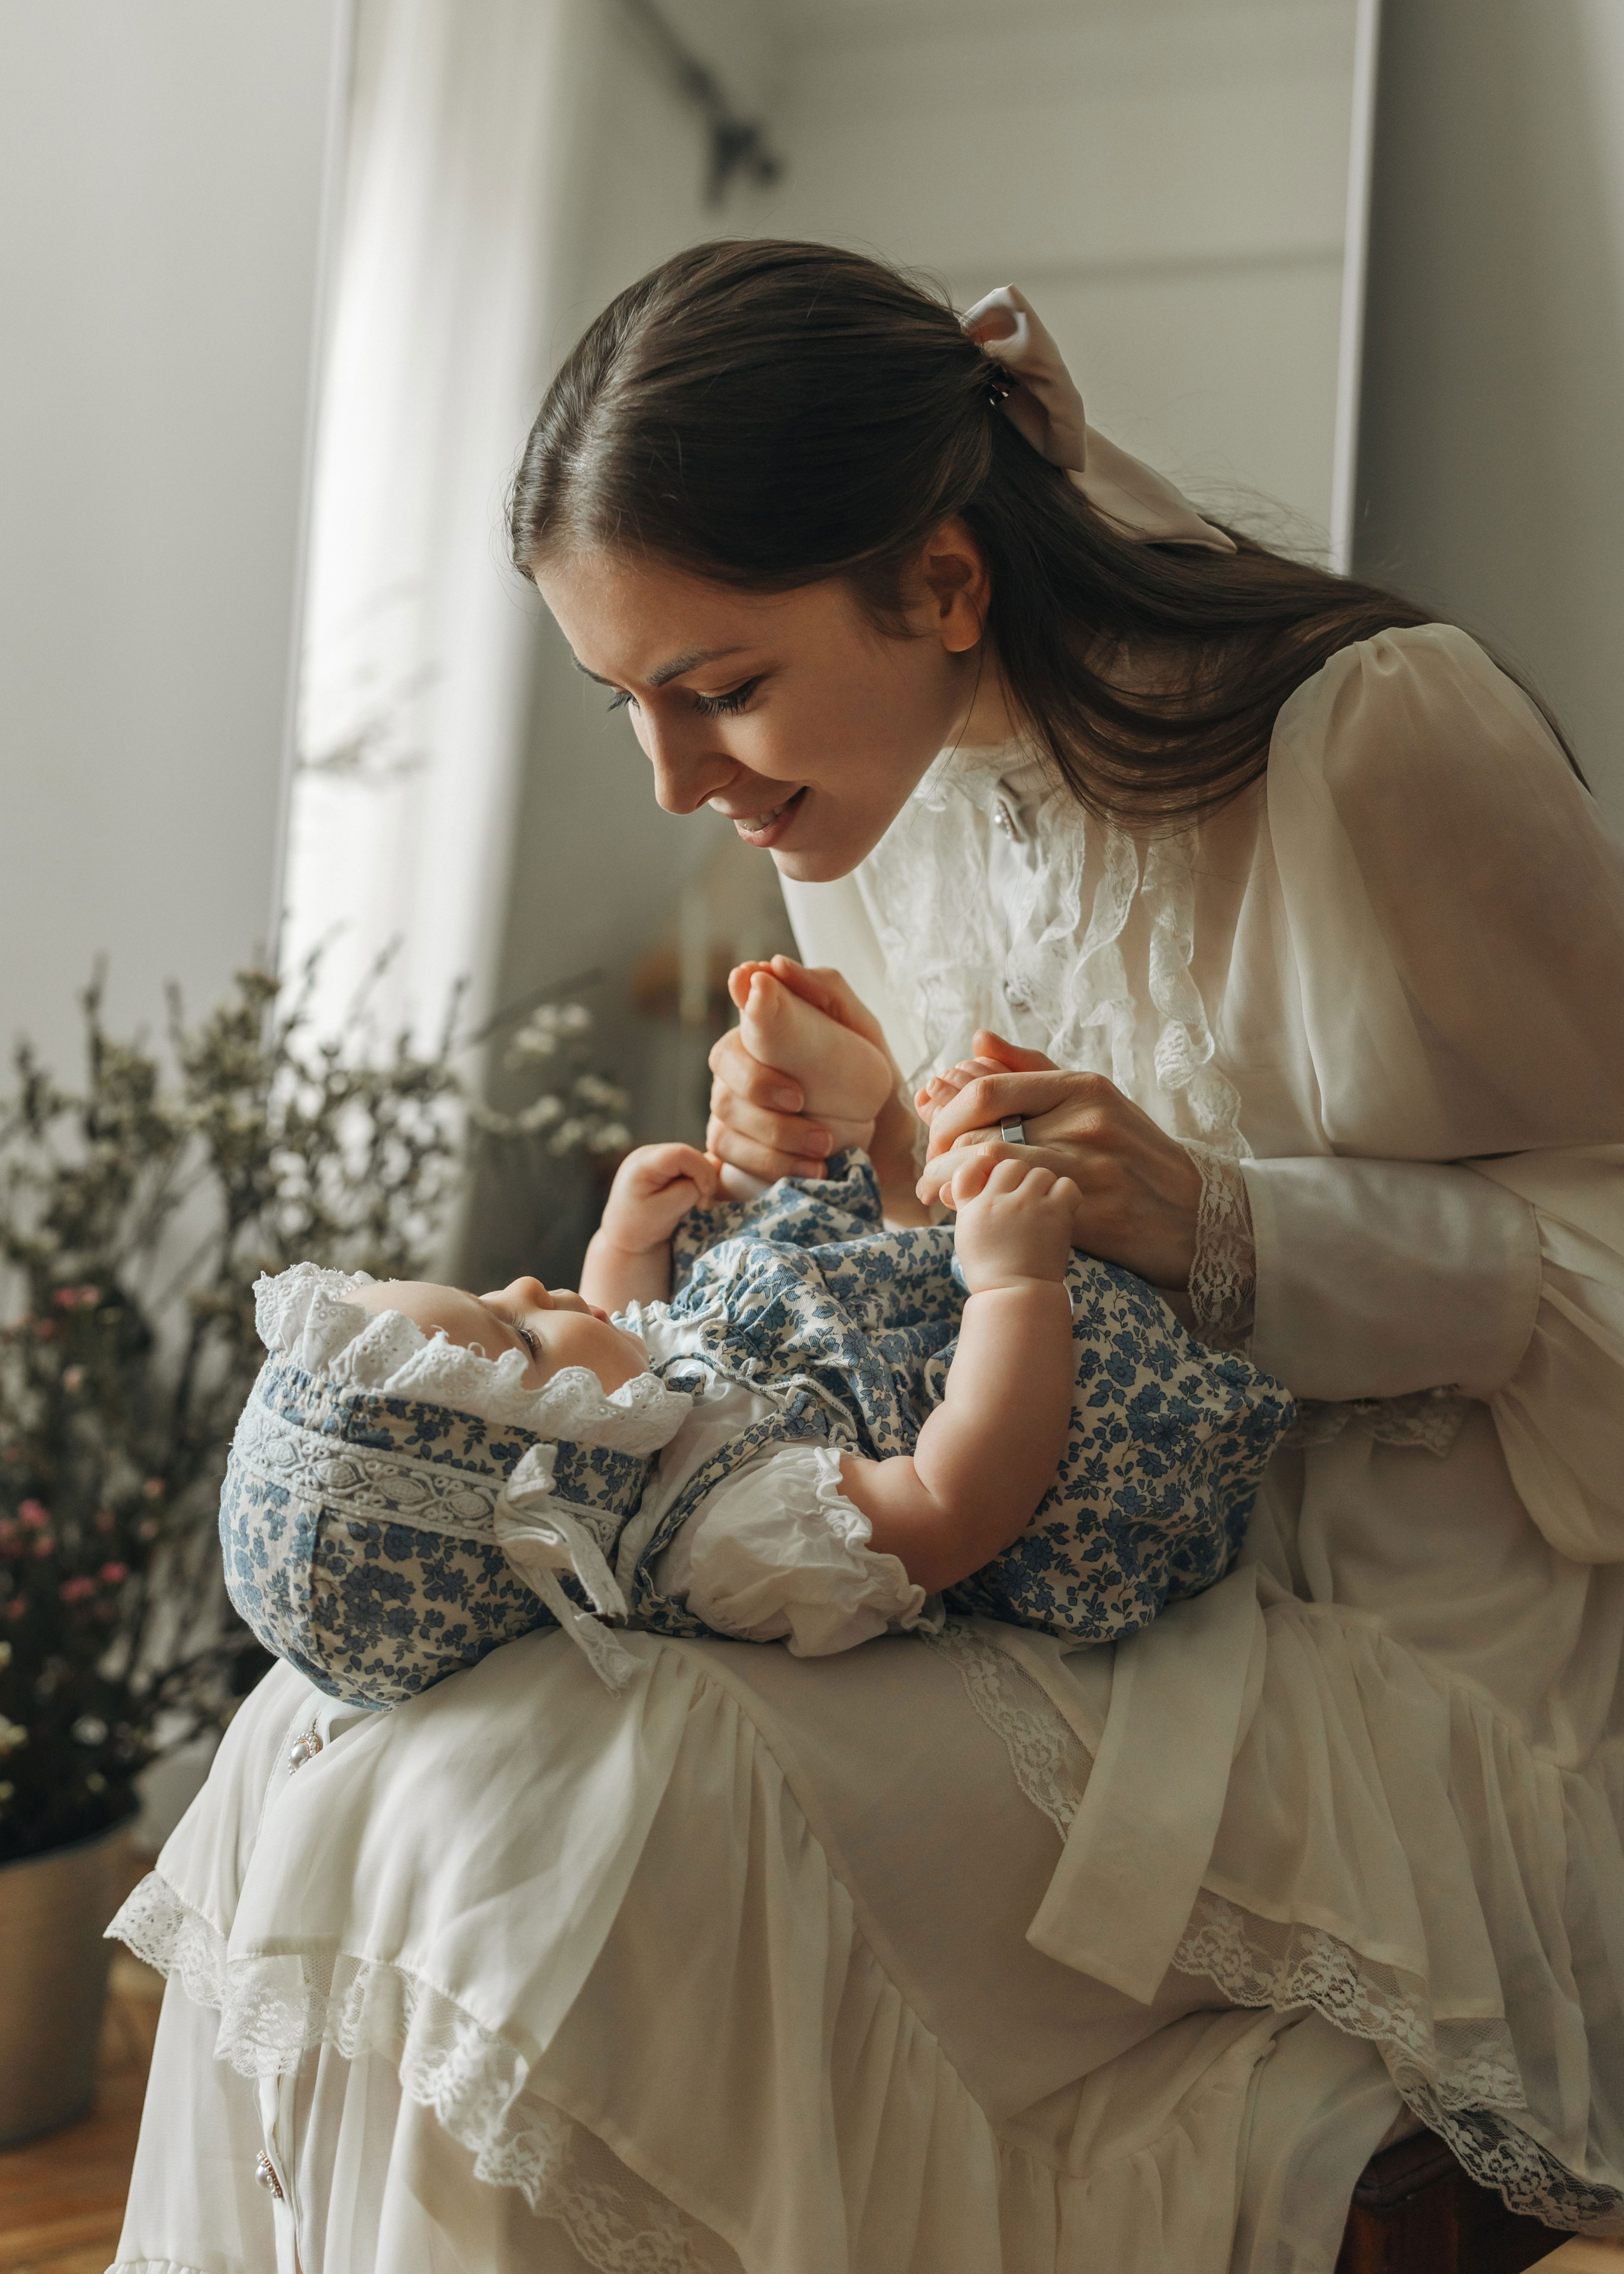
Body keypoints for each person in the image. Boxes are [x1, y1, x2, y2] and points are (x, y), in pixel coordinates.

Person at [109, 244, 1624, 2272]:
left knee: (554, 1821)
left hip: (1400, 1666)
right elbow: (985, 1292)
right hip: (1037, 1587)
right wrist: (867, 1152)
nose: (677, 780)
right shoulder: (876, 799)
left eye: (718, 688)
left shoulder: (1376, 742)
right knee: (341, 1743)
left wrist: (1223, 1224)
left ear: (947, 583)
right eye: (627, 701)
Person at [220, 977, 1287, 1706]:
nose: (527, 1284)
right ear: (542, 1498)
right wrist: (1016, 1283)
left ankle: (861, 1131)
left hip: (855, 1329)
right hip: (1038, 1416)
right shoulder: (726, 1542)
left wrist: (626, 1241)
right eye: (514, 1330)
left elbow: (630, 1334)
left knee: (738, 1271)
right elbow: (955, 1505)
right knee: (866, 1274)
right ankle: (918, 1171)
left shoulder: (612, 1445)